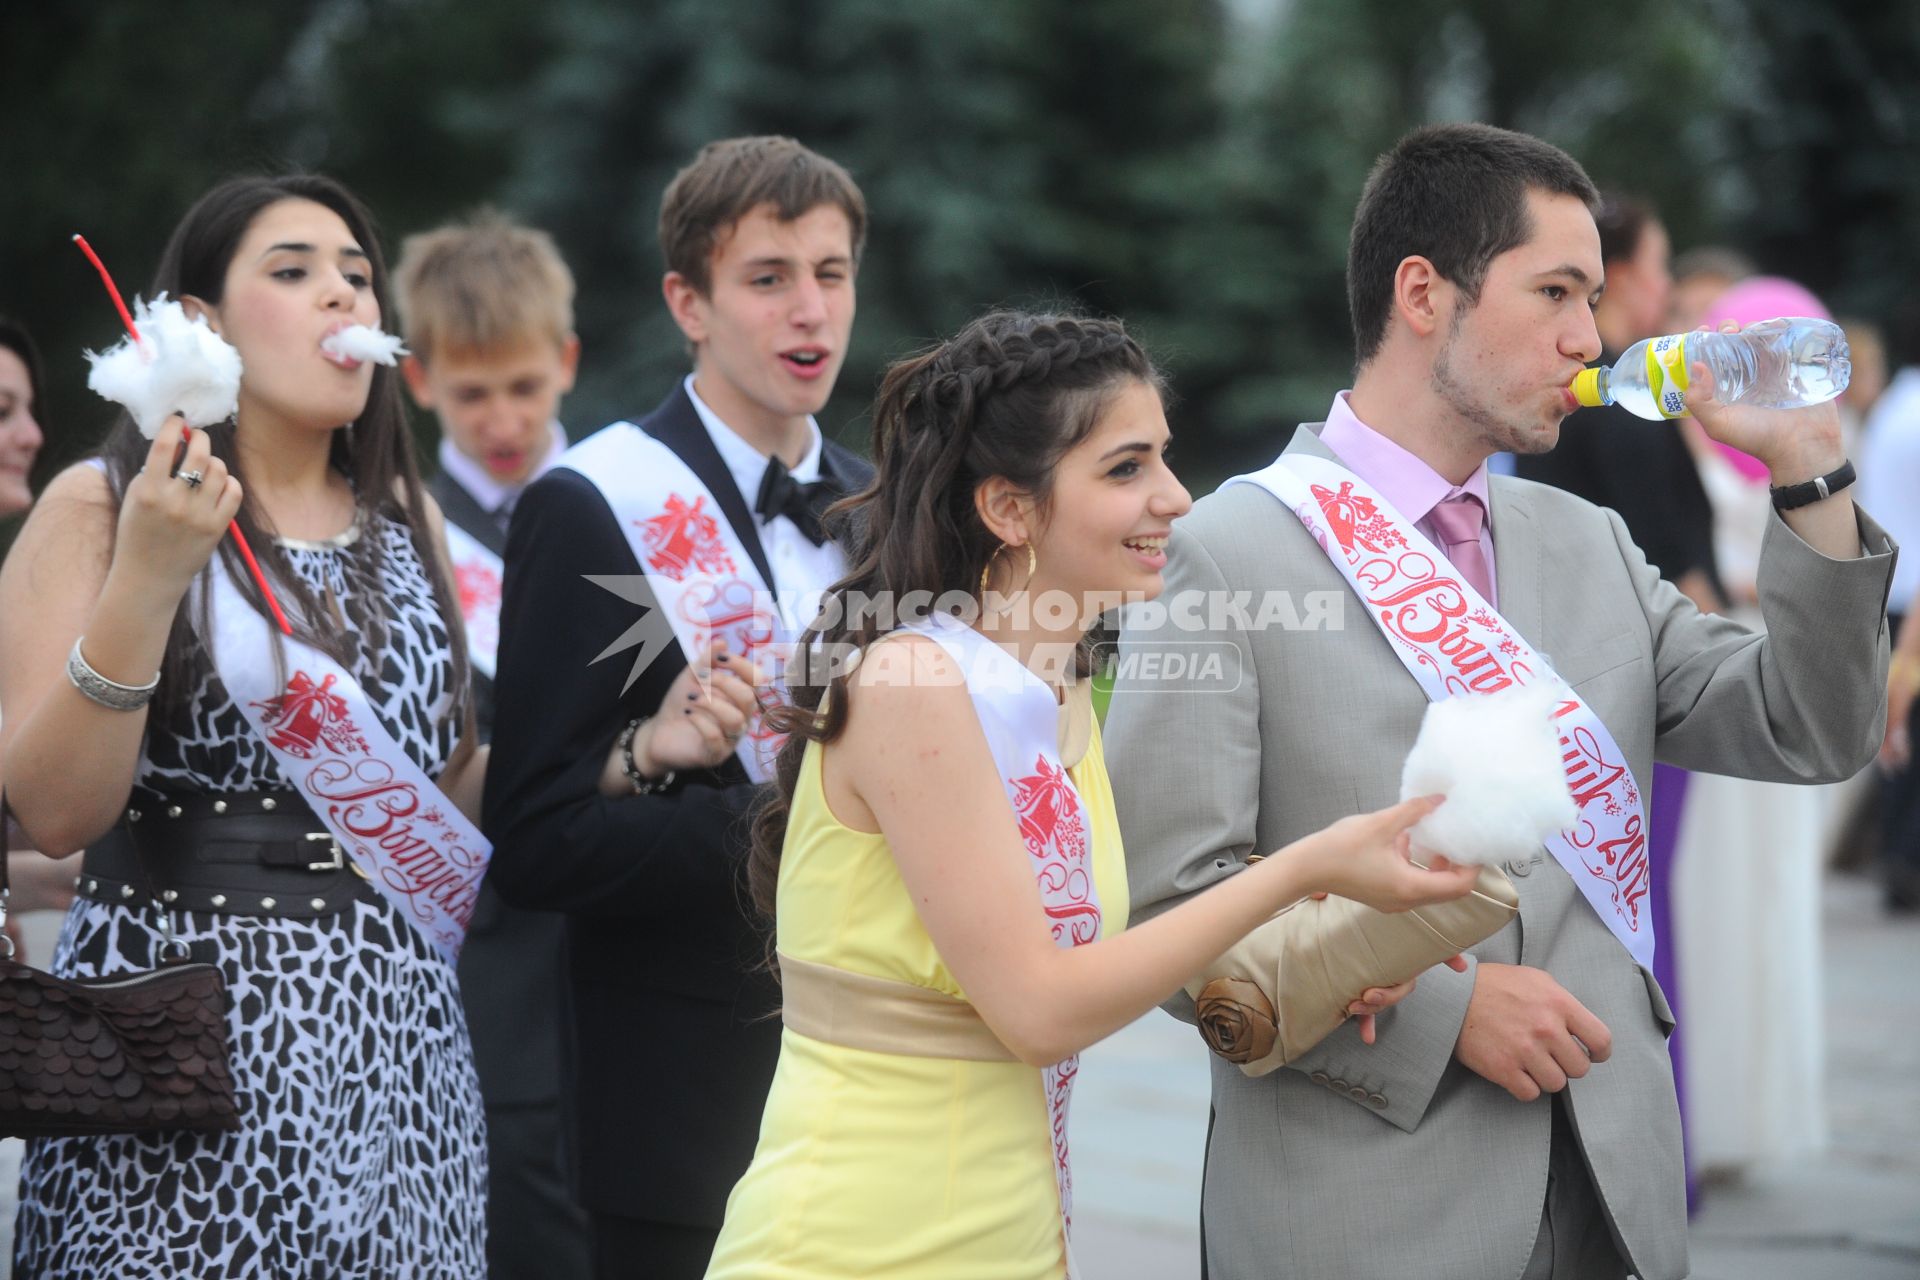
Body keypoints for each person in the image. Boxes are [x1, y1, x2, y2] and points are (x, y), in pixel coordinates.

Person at [1107, 122, 1895, 1280]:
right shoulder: (1227, 550)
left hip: (1611, 1195)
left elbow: (1808, 725)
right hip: (1368, 1213)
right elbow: (1174, 917)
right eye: (1556, 292)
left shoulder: (1584, 539)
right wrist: (1444, 1010)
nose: (1591, 337)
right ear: (1424, 293)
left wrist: (1811, 475)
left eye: (1592, 294)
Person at [700, 308, 1483, 1279]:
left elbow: (1112, 953)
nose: (1177, 496)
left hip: (1018, 1233)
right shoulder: (913, 687)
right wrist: (1305, 868)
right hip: (855, 1240)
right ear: (1010, 509)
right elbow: (1040, 1008)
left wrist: (1328, 948)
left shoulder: (1063, 683)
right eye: (1126, 468)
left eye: (1164, 456)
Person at [0, 175, 489, 1277]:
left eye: (358, 276)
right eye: (295, 270)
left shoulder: (412, 524)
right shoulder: (99, 502)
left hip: (403, 1046)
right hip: (182, 1043)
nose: (342, 295)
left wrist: (629, 744)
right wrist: (148, 577)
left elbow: (442, 791)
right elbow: (55, 808)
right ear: (203, 327)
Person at [484, 136, 874, 1278]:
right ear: (687, 303)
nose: (810, 310)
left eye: (832, 272)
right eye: (768, 278)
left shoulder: (879, 507)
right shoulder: (593, 505)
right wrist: (776, 830)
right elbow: (538, 837)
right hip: (682, 1105)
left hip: (874, 1089)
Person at [393, 212, 591, 1280]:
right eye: (473, 394)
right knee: (515, 1187)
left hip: (628, 916)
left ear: (565, 361)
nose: (504, 418)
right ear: (421, 382)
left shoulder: (631, 503)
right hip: (483, 936)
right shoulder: (400, 531)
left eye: (524, 385)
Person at [1668, 276, 1843, 1182]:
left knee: (1769, 895)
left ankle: (1754, 1110)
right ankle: (1709, 1105)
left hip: (1764, 647)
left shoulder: (1781, 443)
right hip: (1709, 656)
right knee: (1707, 897)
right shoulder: (1678, 435)